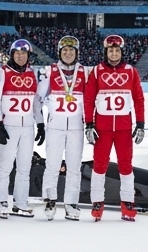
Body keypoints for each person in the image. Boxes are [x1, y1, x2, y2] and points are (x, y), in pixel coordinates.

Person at [84, 34, 146, 221]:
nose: (113, 53)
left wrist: (141, 124)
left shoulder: (131, 71)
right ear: (106, 52)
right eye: (110, 50)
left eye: (117, 50)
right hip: (102, 128)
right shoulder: (96, 71)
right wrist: (89, 124)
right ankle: (97, 202)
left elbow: (138, 99)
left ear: (121, 52)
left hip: (124, 128)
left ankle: (127, 203)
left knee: (125, 165)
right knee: (100, 165)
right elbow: (88, 99)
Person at [38, 35, 89, 220]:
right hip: (55, 127)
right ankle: (50, 199)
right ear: (60, 52)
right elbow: (38, 99)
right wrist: (40, 123)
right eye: (64, 50)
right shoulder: (49, 71)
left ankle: (71, 203)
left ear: (76, 52)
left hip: (76, 127)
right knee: (52, 165)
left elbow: (90, 100)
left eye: (71, 50)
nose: (68, 53)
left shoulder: (85, 72)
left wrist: (90, 123)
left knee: (74, 167)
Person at [0, 38, 42, 218]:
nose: (20, 56)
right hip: (9, 125)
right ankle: (1, 200)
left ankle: (20, 203)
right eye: (17, 53)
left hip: (27, 126)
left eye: (24, 53)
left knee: (24, 166)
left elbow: (36, 102)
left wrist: (40, 123)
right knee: (5, 165)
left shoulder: (32, 73)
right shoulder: (3, 72)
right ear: (12, 54)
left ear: (28, 55)